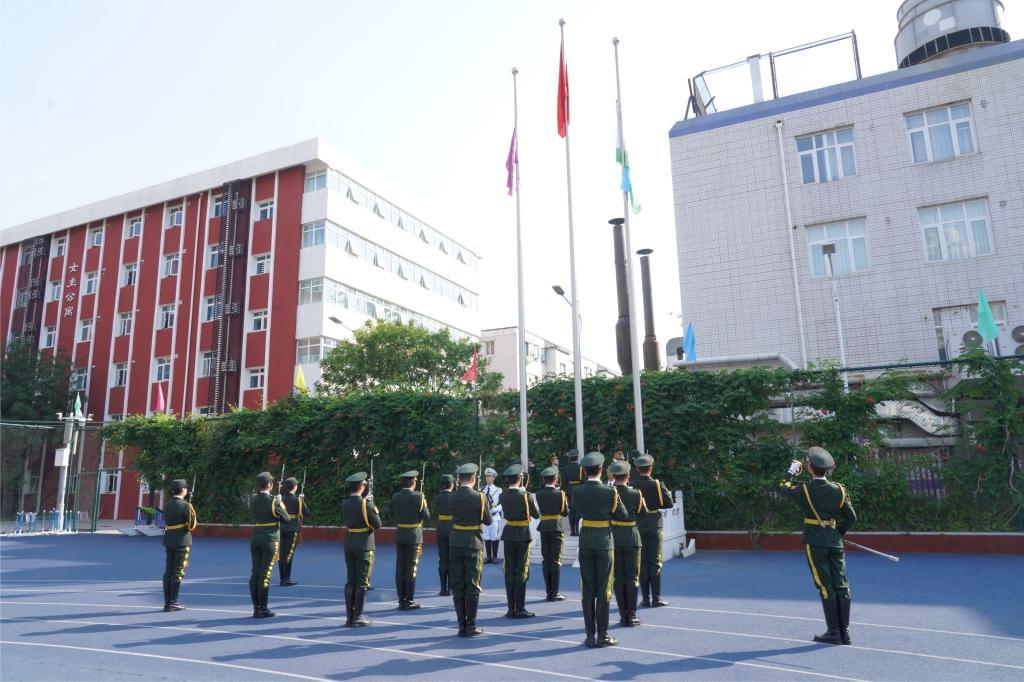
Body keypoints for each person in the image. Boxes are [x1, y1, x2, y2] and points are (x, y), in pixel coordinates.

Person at [780, 447, 857, 645]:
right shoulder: (839, 490)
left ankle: (833, 632)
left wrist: (791, 471)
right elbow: (851, 517)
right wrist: (837, 533)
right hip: (834, 541)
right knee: (841, 583)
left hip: (815, 541)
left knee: (825, 585)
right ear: (827, 469)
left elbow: (783, 487)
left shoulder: (805, 490)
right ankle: (844, 632)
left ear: (809, 468)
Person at [572, 452, 629, 648]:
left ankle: (589, 636)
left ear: (585, 470)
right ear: (600, 470)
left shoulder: (577, 492)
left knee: (587, 588)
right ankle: (602, 636)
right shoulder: (610, 492)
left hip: (585, 540)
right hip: (604, 541)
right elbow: (622, 515)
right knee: (603, 588)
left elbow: (575, 510)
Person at [449, 463, 491, 636]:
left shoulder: (451, 497)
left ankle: (461, 625)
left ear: (459, 480)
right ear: (473, 478)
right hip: (473, 542)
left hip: (456, 541)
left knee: (458, 584)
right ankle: (471, 626)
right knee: (473, 584)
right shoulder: (480, 497)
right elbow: (487, 520)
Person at [610, 460, 649, 626]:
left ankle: (622, 615)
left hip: (614, 537)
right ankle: (631, 616)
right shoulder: (636, 494)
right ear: (628, 476)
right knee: (632, 577)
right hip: (632, 537)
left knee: (618, 577)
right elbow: (644, 515)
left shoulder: (609, 493)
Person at [499, 463, 540, 618]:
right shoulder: (526, 496)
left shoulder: (502, 495)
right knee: (521, 571)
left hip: (509, 533)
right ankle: (520, 608)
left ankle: (511, 608)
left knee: (509, 570)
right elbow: (536, 515)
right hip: (522, 534)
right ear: (520, 479)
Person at [633, 454, 674, 607]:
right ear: (651, 468)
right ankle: (656, 599)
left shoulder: (632, 484)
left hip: (638, 525)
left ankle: (645, 599)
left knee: (642, 563)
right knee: (655, 562)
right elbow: (668, 503)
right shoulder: (658, 484)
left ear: (637, 469)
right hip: (655, 525)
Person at [342, 471, 381, 627]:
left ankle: (350, 617)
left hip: (350, 542)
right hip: (364, 544)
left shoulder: (344, 503)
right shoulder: (366, 504)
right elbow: (377, 524)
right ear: (361, 486)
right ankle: (357, 617)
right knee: (362, 582)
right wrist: (371, 505)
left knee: (351, 580)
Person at [249, 471, 289, 618]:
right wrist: (281, 504)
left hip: (256, 537)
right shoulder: (274, 501)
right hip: (270, 539)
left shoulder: (253, 500)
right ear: (270, 485)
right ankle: (262, 608)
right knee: (265, 575)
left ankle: (256, 607)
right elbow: (286, 519)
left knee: (255, 573)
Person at [392, 470, 430, 610]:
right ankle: (409, 600)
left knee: (400, 568)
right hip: (414, 535)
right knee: (411, 569)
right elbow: (426, 516)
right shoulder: (418, 497)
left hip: (401, 533)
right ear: (413, 482)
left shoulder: (396, 496)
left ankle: (401, 599)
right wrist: (424, 503)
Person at [161, 478, 197, 612]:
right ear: (183, 490)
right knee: (178, 572)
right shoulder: (186, 505)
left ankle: (167, 602)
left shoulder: (167, 504)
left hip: (169, 539)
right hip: (182, 540)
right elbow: (192, 526)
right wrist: (190, 510)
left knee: (168, 571)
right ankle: (173, 602)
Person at [535, 466, 568, 601]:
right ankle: (554, 592)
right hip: (556, 527)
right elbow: (565, 512)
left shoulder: (539, 493)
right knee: (555, 561)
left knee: (546, 560)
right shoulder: (560, 494)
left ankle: (549, 591)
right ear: (555, 479)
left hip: (544, 527)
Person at [278, 477, 310, 587]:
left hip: (281, 528)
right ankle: (286, 579)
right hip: (292, 529)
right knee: (289, 555)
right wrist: (302, 501)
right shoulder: (298, 500)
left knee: (281, 554)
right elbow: (307, 513)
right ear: (294, 487)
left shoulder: (280, 499)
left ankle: (282, 577)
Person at [433, 474, 455, 596]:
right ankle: (451, 588)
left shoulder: (437, 498)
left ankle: (442, 588)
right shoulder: (454, 497)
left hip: (441, 527)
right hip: (452, 528)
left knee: (443, 560)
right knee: (452, 559)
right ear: (451, 484)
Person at [559, 449, 583, 536]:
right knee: (578, 510)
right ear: (577, 457)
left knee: (571, 510)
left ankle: (572, 530)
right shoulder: (581, 467)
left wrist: (564, 491)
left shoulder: (565, 468)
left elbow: (564, 482)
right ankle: (577, 529)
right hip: (579, 489)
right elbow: (584, 480)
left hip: (569, 490)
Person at [481, 467, 502, 563]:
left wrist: (495, 509)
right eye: (487, 476)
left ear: (494, 478)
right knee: (486, 536)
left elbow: (502, 504)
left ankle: (495, 557)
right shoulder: (482, 490)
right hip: (485, 517)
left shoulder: (498, 490)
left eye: (490, 476)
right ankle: (488, 556)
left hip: (494, 516)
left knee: (494, 536)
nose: (488, 478)